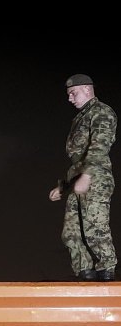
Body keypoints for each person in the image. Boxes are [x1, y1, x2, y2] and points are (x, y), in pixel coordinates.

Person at [49, 74, 118, 281]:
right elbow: (78, 159)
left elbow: (99, 146)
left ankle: (107, 272)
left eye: (73, 93)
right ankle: (85, 274)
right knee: (71, 234)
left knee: (95, 229)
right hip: (78, 180)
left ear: (87, 90)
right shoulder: (80, 117)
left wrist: (87, 176)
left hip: (95, 178)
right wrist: (63, 187)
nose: (70, 98)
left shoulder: (102, 112)